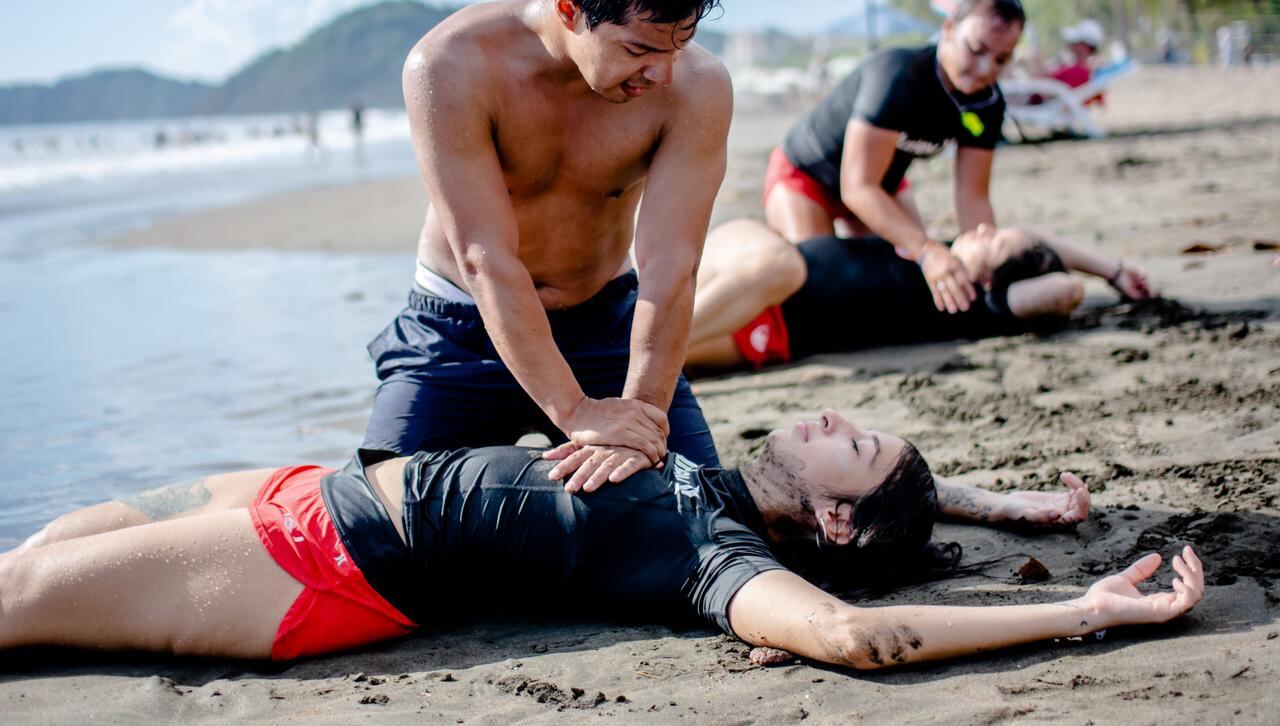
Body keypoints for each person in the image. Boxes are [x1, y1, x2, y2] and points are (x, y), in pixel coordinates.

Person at [1, 407, 1203, 669]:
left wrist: (1084, 608)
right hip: (312, 486)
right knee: (45, 540)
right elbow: (904, 511)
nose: (836, 419)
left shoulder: (716, 552)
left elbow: (852, 631)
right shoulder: (709, 476)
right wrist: (1003, 506)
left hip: (325, 561)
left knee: (19, 597)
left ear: (834, 517)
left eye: (855, 443)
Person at [363, 0, 732, 491]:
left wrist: (637, 420)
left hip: (604, 325)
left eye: (678, 46)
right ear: (568, 7)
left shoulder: (697, 87)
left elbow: (672, 264)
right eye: (639, 49)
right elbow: (483, 256)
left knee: (698, 508)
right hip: (460, 328)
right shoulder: (451, 65)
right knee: (382, 515)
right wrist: (576, 411)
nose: (662, 75)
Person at [764, 0, 1025, 316]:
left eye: (1001, 59)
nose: (986, 68)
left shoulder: (987, 103)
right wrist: (926, 249)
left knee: (905, 273)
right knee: (816, 284)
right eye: (976, 49)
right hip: (808, 174)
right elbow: (857, 188)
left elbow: (973, 197)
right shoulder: (898, 75)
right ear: (948, 29)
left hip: (881, 181)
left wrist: (986, 268)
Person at [686, 220, 1154, 372]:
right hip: (755, 256)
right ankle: (652, 338)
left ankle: (650, 340)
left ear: (990, 282)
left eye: (994, 241)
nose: (983, 227)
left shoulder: (972, 306)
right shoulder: (934, 250)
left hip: (771, 330)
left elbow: (1064, 289)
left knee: (667, 357)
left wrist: (1095, 277)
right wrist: (1110, 269)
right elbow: (1035, 242)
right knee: (779, 265)